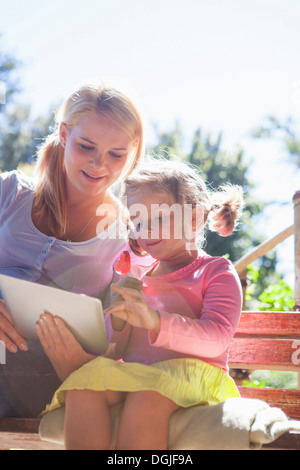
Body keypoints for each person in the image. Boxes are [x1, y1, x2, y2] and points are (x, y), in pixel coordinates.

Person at [38, 158, 244, 450]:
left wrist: (155, 320)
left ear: (195, 218)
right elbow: (118, 350)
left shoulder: (215, 272)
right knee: (84, 387)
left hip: (194, 379)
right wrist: (120, 318)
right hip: (139, 376)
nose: (145, 231)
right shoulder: (139, 280)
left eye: (158, 218)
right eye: (137, 222)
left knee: (146, 397)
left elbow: (217, 338)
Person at [0, 78, 147, 418]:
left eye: (116, 154)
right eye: (86, 147)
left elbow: (122, 340)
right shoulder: (9, 192)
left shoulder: (130, 238)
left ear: (133, 152)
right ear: (64, 135)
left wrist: (80, 364)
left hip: (48, 374)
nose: (100, 164)